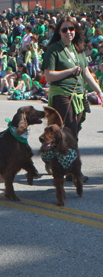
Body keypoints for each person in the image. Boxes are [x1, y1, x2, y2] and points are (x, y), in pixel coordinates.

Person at [42, 16, 103, 181]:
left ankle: (52, 158)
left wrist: (99, 91)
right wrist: (70, 71)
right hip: (61, 95)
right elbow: (48, 76)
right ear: (59, 32)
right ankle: (73, 172)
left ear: (76, 31)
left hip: (78, 96)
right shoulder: (54, 49)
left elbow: (86, 73)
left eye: (71, 29)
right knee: (70, 134)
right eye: (64, 29)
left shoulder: (79, 49)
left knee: (72, 134)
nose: (68, 32)